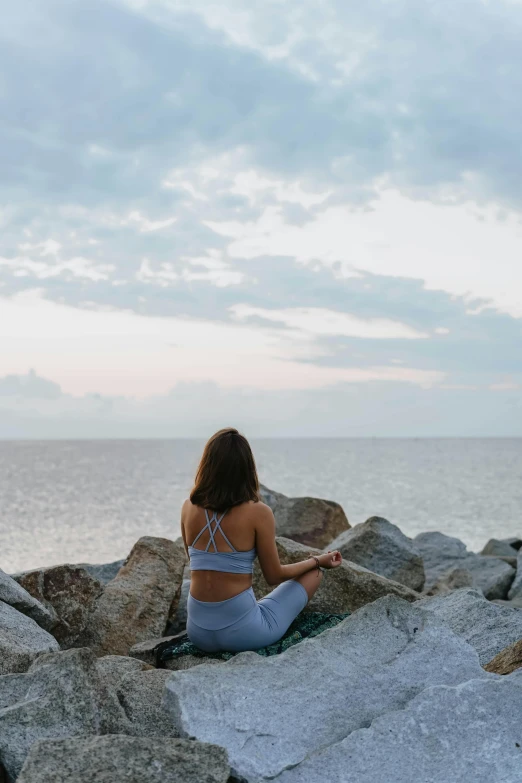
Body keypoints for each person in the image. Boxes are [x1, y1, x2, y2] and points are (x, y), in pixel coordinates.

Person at [180, 427, 342, 653]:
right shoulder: (259, 512)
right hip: (245, 636)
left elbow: (195, 562)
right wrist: (317, 560)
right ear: (247, 468)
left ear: (207, 464)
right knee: (314, 574)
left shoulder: (188, 507)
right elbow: (273, 575)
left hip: (198, 634)